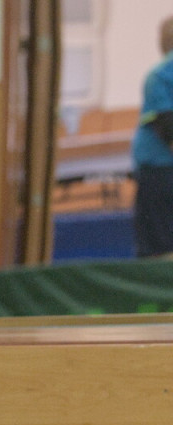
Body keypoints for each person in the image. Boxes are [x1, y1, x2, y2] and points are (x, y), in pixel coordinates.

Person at [132, 15, 173, 258]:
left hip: (159, 172)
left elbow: (168, 128)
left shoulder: (159, 75)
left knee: (157, 248)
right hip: (160, 169)